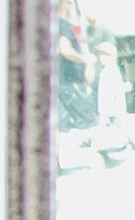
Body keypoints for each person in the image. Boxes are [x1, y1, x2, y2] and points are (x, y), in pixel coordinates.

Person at [56, 0, 98, 138]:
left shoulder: (67, 25)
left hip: (64, 81)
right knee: (87, 121)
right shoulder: (63, 25)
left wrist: (92, 25)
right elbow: (65, 49)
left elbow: (83, 41)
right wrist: (86, 60)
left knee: (61, 125)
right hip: (71, 82)